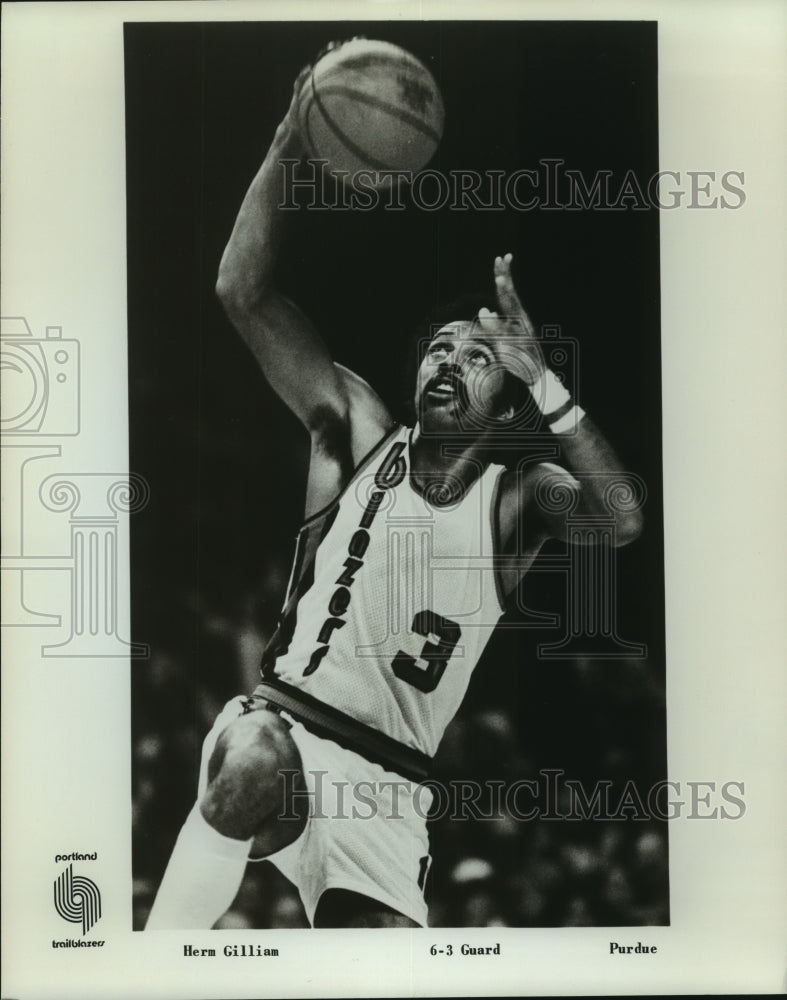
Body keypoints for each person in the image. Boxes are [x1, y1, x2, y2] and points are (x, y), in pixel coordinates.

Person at [146, 60, 642, 931]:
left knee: (375, 959)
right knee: (253, 761)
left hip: (390, 787)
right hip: (285, 724)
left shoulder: (518, 500)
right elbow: (241, 291)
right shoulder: (356, 429)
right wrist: (284, 144)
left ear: (513, 396)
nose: (446, 361)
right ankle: (148, 968)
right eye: (438, 349)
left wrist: (554, 387)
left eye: (477, 356)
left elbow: (623, 521)